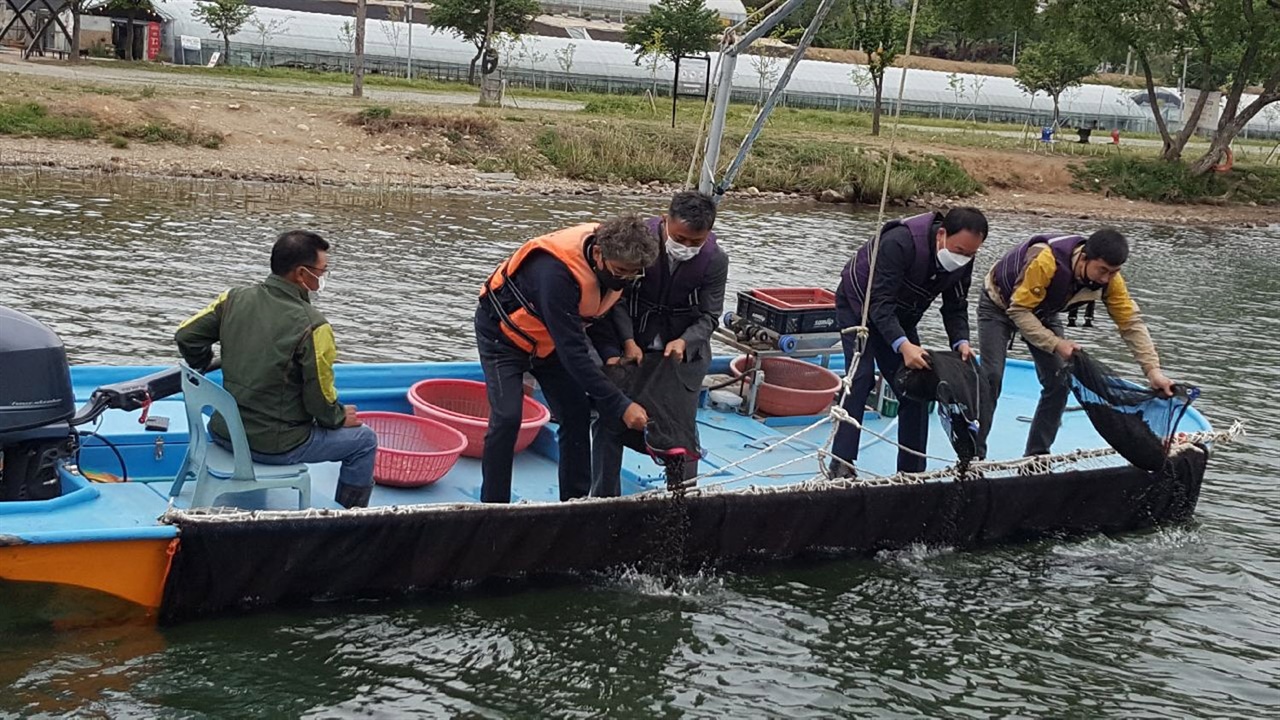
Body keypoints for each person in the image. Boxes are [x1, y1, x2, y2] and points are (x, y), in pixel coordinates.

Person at [175, 230, 378, 509]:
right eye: (322, 271)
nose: (323, 277)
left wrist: (201, 360)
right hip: (273, 446)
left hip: (222, 433)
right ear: (302, 274)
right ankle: (352, 520)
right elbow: (319, 398)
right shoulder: (314, 326)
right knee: (364, 440)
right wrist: (337, 417)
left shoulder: (233, 298)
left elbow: (187, 335)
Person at [477, 215, 658, 503]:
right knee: (508, 418)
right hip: (504, 339)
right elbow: (573, 353)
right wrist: (621, 405)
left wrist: (612, 355)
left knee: (576, 413)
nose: (624, 279)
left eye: (633, 274)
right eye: (621, 271)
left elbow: (595, 313)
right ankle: (492, 505)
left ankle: (574, 502)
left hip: (549, 344)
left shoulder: (612, 270)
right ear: (598, 253)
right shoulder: (555, 274)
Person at [976, 228, 1175, 459]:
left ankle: (1036, 456)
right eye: (1102, 270)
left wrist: (1153, 371)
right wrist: (1056, 343)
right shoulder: (1046, 261)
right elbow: (1019, 311)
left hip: (1044, 311)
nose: (1105, 279)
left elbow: (1130, 323)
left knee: (1060, 381)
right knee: (991, 378)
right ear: (1084, 258)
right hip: (999, 306)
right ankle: (974, 455)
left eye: (1113, 272)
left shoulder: (1110, 280)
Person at [830, 207, 989, 477]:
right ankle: (841, 461)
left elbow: (955, 307)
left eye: (970, 254)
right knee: (861, 378)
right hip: (860, 305)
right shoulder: (899, 243)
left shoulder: (963, 260)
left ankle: (912, 469)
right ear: (941, 235)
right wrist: (903, 346)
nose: (963, 258)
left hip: (902, 314)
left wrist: (961, 341)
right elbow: (879, 304)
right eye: (960, 250)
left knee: (917, 385)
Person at [590, 191, 729, 497]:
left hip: (679, 355)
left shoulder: (715, 261)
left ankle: (682, 496)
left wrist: (684, 341)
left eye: (696, 242)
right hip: (634, 344)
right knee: (610, 416)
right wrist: (627, 341)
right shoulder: (640, 242)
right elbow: (618, 297)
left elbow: (709, 316)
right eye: (680, 238)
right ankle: (602, 496)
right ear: (665, 222)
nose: (687, 247)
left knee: (680, 425)